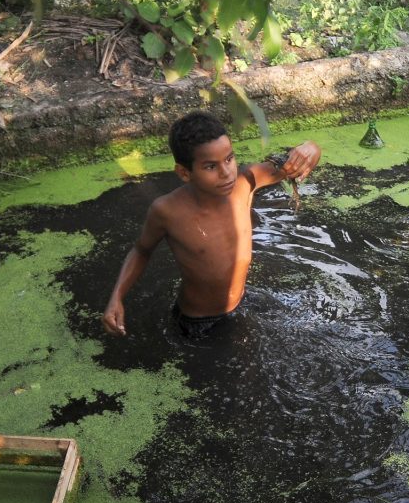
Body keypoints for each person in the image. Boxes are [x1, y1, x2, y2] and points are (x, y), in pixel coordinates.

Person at [102, 111, 321, 339]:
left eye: (229, 159)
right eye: (210, 167)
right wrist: (116, 297)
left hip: (242, 301)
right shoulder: (167, 211)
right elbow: (141, 250)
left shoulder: (245, 183)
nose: (226, 173)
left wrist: (312, 147)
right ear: (185, 173)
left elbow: (294, 163)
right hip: (198, 322)